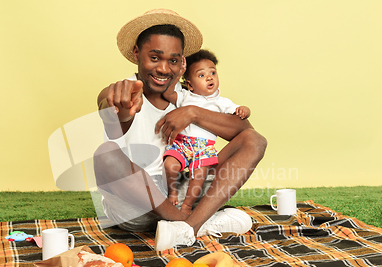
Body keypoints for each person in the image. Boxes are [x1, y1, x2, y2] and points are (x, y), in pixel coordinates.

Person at [94, 9, 267, 251]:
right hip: (138, 203)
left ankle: (187, 229)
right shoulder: (125, 92)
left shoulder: (190, 99)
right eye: (155, 58)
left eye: (173, 60)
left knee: (255, 140)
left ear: (182, 63)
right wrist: (115, 105)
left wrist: (194, 113)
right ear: (136, 53)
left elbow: (245, 132)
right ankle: (196, 224)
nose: (164, 69)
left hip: (185, 190)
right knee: (105, 154)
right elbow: (109, 112)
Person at [162, 49, 251, 215]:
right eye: (201, 75)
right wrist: (177, 74)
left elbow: (238, 114)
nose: (209, 77)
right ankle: (172, 192)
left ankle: (187, 205)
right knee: (169, 165)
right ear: (189, 84)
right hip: (183, 143)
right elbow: (167, 93)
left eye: (213, 73)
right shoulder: (185, 96)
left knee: (199, 178)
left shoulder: (221, 102)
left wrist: (244, 110)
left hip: (204, 148)